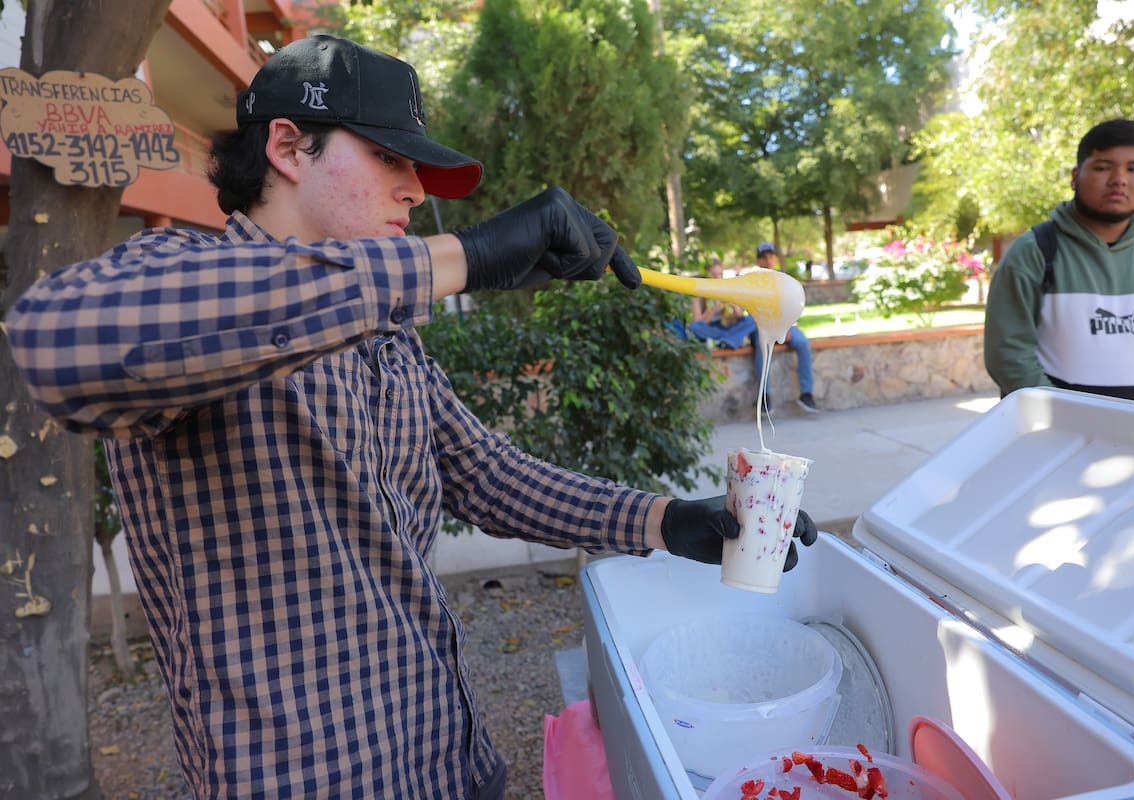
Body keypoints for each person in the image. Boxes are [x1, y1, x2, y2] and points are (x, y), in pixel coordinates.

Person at [5, 36, 819, 800]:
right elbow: (55, 342)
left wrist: (668, 520)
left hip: (441, 753)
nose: (415, 189)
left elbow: (487, 473)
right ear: (288, 148)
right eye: (388, 157)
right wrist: (461, 258)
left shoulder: (385, 331)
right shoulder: (178, 273)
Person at [984, 119, 1134, 411]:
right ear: (1075, 176)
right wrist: (1062, 417)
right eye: (1102, 167)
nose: (1119, 180)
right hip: (1060, 436)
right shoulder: (1034, 252)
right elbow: (1008, 352)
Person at [750, 242, 819, 413]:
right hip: (763, 328)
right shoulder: (752, 283)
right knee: (762, 346)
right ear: (759, 261)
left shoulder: (783, 281)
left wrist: (786, 328)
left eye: (771, 257)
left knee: (802, 343)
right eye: (764, 257)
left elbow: (791, 307)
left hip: (785, 326)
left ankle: (806, 394)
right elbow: (754, 312)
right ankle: (765, 397)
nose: (768, 261)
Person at [682, 257, 757, 349]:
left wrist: (735, 307)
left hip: (728, 327)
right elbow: (698, 323)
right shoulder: (699, 295)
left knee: (753, 319)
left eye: (720, 275)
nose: (718, 278)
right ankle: (730, 340)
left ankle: (725, 340)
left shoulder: (729, 289)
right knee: (694, 328)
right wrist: (713, 310)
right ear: (708, 276)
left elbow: (739, 317)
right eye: (714, 275)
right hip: (712, 329)